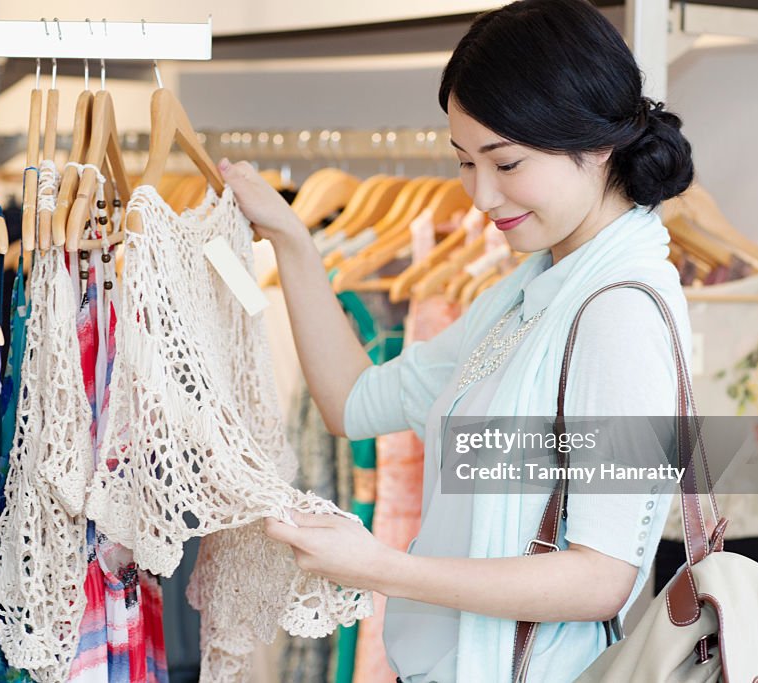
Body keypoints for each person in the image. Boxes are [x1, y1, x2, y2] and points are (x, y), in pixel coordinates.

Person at [218, 0, 694, 680]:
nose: (481, 196)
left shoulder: (620, 314)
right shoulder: (528, 294)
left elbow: (601, 578)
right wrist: (291, 239)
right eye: (466, 163)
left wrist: (385, 569)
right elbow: (354, 401)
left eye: (507, 163)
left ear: (598, 143)